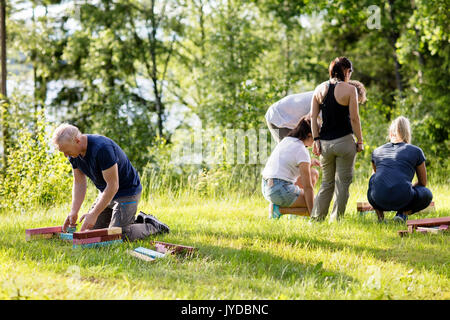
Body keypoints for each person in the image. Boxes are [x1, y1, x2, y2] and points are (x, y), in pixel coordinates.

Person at [52, 124, 168, 241]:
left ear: (77, 141)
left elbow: (113, 185)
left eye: (66, 151)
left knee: (117, 236)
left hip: (126, 192)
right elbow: (79, 183)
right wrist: (74, 211)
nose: (66, 155)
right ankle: (134, 220)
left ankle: (153, 225)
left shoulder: (102, 148)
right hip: (106, 193)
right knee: (92, 234)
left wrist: (94, 214)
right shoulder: (74, 154)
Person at [310, 57, 365, 222]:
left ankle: (316, 219)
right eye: (350, 72)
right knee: (342, 184)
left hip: (325, 144)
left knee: (326, 183)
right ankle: (335, 220)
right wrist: (360, 140)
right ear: (346, 71)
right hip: (345, 142)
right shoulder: (349, 90)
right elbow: (354, 119)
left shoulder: (319, 89)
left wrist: (316, 139)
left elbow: (313, 117)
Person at [367, 116, 433, 222]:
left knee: (372, 180)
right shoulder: (416, 151)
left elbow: (375, 177)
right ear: (407, 133)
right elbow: (422, 182)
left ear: (390, 133)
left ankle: (380, 217)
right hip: (403, 197)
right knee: (427, 193)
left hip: (378, 199)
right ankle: (402, 214)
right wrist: (407, 187)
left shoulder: (376, 151)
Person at [265, 81, 366, 143]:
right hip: (279, 115)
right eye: (354, 102)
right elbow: (316, 123)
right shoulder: (329, 96)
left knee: (299, 153)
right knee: (287, 152)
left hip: (290, 119)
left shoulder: (334, 94)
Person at [261, 116, 318, 219]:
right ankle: (279, 210)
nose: (316, 142)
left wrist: (310, 162)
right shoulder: (301, 150)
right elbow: (308, 187)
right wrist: (313, 213)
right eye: (316, 138)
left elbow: (289, 162)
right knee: (317, 205)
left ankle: (283, 208)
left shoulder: (287, 140)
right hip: (280, 189)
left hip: (266, 187)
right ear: (309, 135)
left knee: (313, 173)